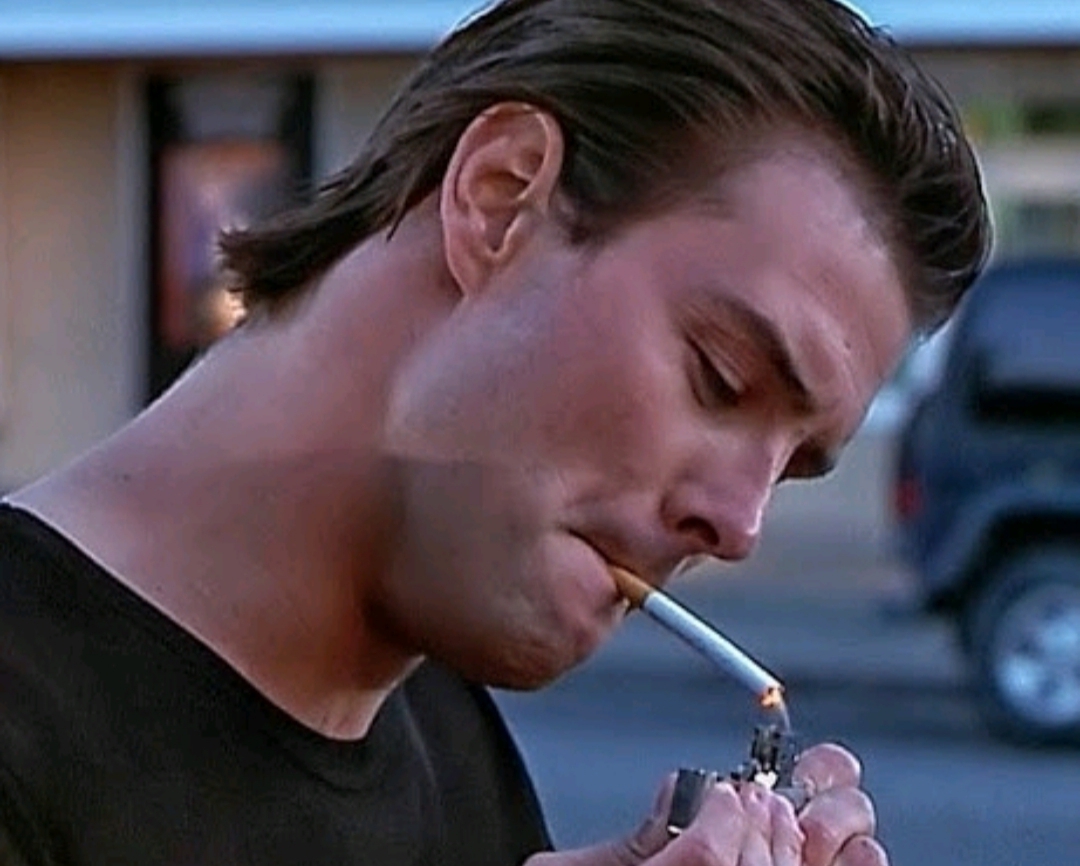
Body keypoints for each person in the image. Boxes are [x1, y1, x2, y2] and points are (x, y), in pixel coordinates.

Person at [0, 0, 990, 863]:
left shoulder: (443, 727)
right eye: (720, 376)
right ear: (502, 196)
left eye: (794, 466)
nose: (739, 524)